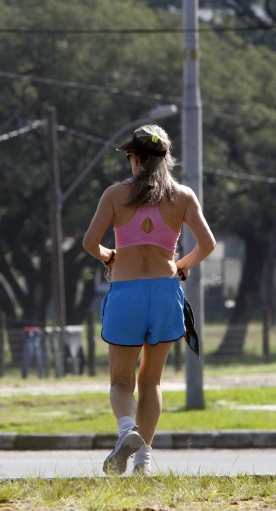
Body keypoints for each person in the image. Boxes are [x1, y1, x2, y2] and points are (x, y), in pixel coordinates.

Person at [82, 124, 216, 475]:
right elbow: (208, 244)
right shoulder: (183, 196)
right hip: (164, 291)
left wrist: (110, 256)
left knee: (121, 381)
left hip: (126, 292)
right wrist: (182, 266)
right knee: (151, 381)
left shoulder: (114, 194)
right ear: (165, 158)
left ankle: (128, 432)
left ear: (135, 159)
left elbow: (88, 243)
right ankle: (143, 461)